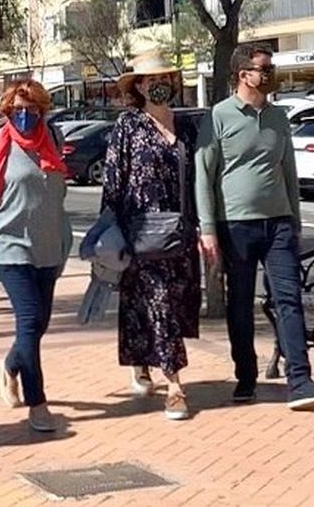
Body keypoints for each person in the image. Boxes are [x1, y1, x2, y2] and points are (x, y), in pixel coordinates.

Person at [195, 44, 314, 411]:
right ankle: (245, 376)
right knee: (240, 303)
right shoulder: (218, 117)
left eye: (270, 68)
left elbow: (288, 170)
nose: (269, 74)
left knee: (288, 298)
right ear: (244, 74)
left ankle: (301, 381)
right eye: (264, 68)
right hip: (236, 226)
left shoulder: (278, 117)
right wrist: (208, 228)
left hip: (278, 226)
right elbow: (203, 177)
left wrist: (295, 218)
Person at [0, 80, 70, 433]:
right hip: (10, 247)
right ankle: (38, 404)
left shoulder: (50, 144)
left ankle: (9, 367)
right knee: (28, 322)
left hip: (49, 248)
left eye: (32, 110)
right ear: (7, 112)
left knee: (38, 325)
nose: (25, 116)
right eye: (17, 111)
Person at [100, 52, 201, 421]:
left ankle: (142, 361)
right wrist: (109, 232)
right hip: (140, 233)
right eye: (151, 79)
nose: (160, 84)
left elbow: (198, 181)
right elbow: (113, 181)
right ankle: (174, 386)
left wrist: (203, 226)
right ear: (139, 87)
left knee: (170, 304)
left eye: (166, 78)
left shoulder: (187, 127)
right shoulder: (128, 126)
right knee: (157, 302)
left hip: (180, 234)